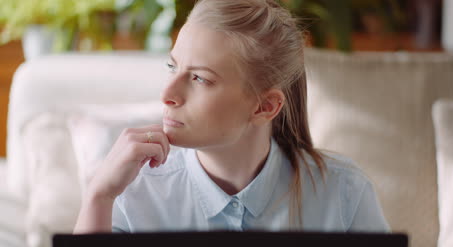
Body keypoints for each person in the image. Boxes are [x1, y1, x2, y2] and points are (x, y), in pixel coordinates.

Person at [74, 0, 390, 233]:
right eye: (173, 67)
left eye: (199, 78)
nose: (167, 93)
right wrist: (98, 196)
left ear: (264, 107)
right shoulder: (133, 191)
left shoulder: (344, 193)